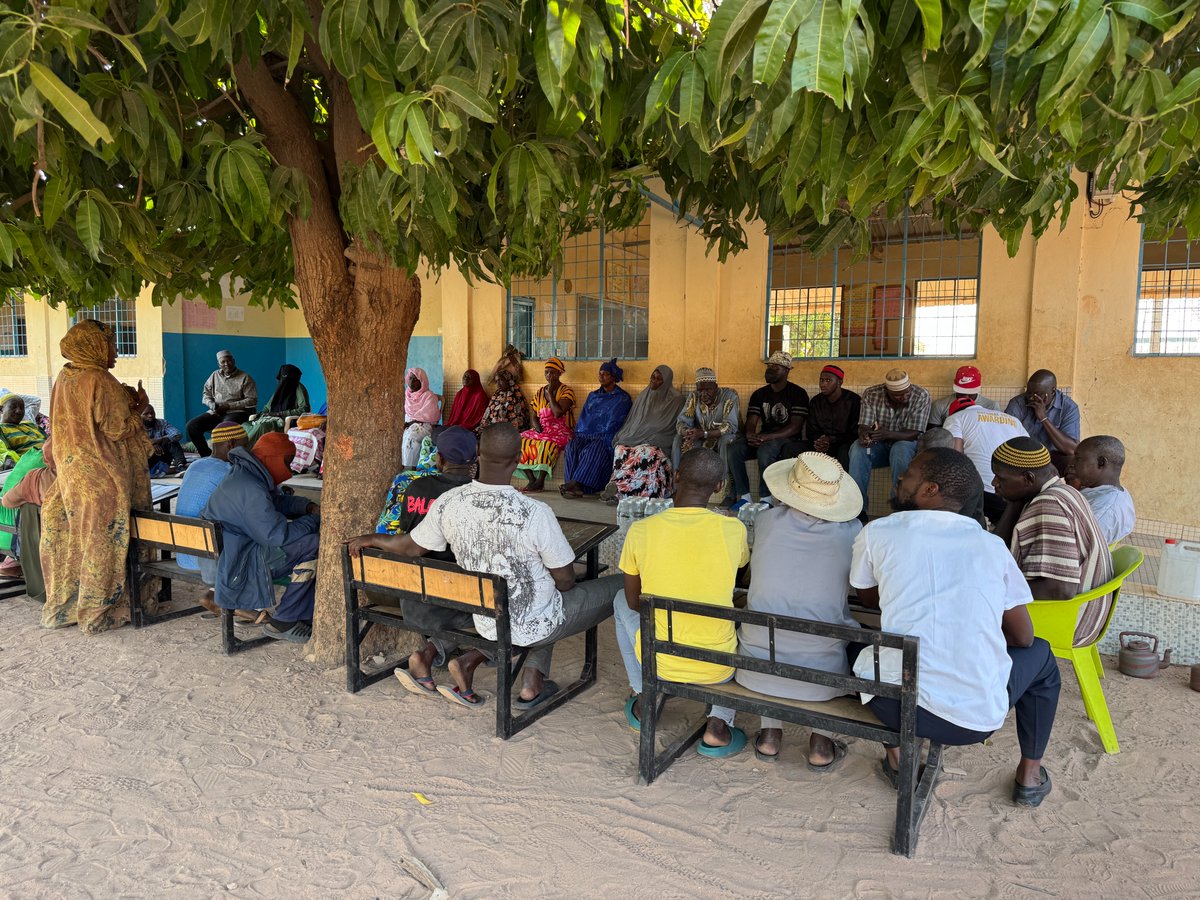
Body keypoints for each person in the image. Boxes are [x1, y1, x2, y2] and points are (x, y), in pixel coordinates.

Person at [349, 423, 622, 709]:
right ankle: (532, 683)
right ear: (519, 460)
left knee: (543, 595)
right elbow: (566, 581)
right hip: (532, 621)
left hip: (487, 621)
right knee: (614, 585)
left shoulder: (449, 502)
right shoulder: (535, 512)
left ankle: (528, 678)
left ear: (478, 454)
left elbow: (411, 547)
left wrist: (373, 538)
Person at [851, 448, 1060, 808]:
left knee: (858, 649)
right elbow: (1023, 638)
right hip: (970, 722)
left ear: (930, 490)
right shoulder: (992, 547)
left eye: (910, 474)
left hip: (890, 703)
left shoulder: (878, 531)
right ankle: (1030, 773)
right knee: (1042, 655)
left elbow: (870, 601)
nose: (901, 477)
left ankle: (898, 756)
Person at [613, 448, 750, 756]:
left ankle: (644, 693)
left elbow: (635, 602)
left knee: (620, 599)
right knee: (738, 620)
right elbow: (741, 575)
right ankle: (718, 722)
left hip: (657, 660)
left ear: (674, 477)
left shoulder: (641, 530)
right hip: (718, 667)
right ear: (719, 487)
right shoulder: (734, 529)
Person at [737, 452, 863, 768]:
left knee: (773, 622)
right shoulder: (852, 531)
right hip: (821, 673)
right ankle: (820, 744)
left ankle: (769, 737)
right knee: (838, 627)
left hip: (755, 666)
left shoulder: (764, 521)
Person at [40, 319, 155, 633]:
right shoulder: (98, 378)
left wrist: (127, 400)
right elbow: (117, 428)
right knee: (102, 548)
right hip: (102, 479)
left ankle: (65, 611)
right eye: (110, 344)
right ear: (94, 345)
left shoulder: (66, 376)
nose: (115, 350)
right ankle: (96, 615)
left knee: (72, 545)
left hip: (70, 477)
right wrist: (139, 412)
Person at [352, 428, 479, 697]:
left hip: (412, 596)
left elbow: (405, 538)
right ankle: (452, 659)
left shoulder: (416, 486)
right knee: (501, 609)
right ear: (474, 460)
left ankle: (426, 655)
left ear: (440, 459)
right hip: (459, 593)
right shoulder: (475, 496)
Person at [991, 437, 1113, 646]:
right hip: (1081, 613)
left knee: (968, 613)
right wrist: (1015, 501)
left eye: (1000, 478)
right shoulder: (1064, 490)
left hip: (1070, 620)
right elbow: (995, 551)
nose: (994, 483)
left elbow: (1059, 589)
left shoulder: (1049, 505)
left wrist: (993, 594)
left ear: (1028, 479)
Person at [203, 431, 321, 643]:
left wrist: (306, 506)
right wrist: (313, 521)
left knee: (308, 538)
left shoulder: (245, 475)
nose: (290, 469)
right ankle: (285, 619)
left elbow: (274, 503)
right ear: (272, 458)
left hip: (236, 554)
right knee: (315, 543)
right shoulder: (251, 487)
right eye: (287, 462)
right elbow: (277, 535)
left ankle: (301, 614)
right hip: (243, 563)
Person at [727, 352, 808, 510]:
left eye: (775, 367)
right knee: (734, 448)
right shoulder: (759, 394)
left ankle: (767, 498)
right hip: (764, 437)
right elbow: (752, 421)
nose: (770, 370)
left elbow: (795, 427)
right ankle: (744, 496)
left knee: (765, 451)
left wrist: (766, 437)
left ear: (786, 371)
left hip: (787, 438)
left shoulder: (798, 394)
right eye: (769, 366)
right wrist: (751, 435)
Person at [848, 368, 930, 511]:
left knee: (900, 449)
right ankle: (857, 510)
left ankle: (900, 510)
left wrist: (887, 434)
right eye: (898, 396)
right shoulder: (872, 394)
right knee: (858, 449)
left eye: (907, 392)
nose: (904, 397)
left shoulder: (920, 395)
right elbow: (864, 426)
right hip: (879, 446)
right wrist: (865, 435)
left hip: (906, 447)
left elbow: (914, 433)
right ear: (887, 392)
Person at [175, 421, 250, 573]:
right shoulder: (229, 472)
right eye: (245, 446)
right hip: (207, 560)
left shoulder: (195, 465)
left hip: (184, 555)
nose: (247, 451)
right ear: (231, 444)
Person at [601, 365, 684, 501]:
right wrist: (634, 435)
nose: (654, 381)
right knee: (621, 449)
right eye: (653, 377)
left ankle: (620, 490)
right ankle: (618, 490)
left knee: (645, 453)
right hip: (637, 438)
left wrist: (648, 435)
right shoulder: (644, 395)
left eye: (659, 379)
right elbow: (633, 422)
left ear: (667, 381)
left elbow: (669, 427)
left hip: (661, 441)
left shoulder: (676, 400)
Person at [944, 396, 1029, 523]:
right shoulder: (1013, 420)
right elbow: (1029, 447)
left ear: (954, 412)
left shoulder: (955, 418)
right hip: (1019, 495)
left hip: (984, 495)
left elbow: (955, 456)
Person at [560, 359, 632, 498]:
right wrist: (580, 434)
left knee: (593, 450)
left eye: (605, 374)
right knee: (572, 446)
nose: (601, 377)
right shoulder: (593, 396)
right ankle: (572, 485)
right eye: (600, 374)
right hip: (585, 434)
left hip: (606, 437)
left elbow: (617, 423)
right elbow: (584, 418)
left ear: (614, 377)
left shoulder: (622, 398)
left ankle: (576, 484)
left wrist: (600, 435)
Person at [0, 443, 52, 602]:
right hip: (31, 541)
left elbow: (7, 502)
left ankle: (12, 563)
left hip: (14, 537)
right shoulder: (77, 474)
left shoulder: (31, 459)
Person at [517, 357, 575, 494]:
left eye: (552, 372)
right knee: (518, 441)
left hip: (561, 431)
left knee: (547, 444)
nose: (549, 376)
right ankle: (531, 480)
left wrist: (550, 395)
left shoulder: (567, 391)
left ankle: (540, 481)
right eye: (546, 372)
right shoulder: (539, 392)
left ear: (560, 373)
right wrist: (537, 427)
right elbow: (534, 414)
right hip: (543, 429)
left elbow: (558, 413)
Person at [1005, 370, 1080, 473]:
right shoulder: (1018, 403)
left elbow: (1071, 449)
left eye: (1037, 394)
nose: (1031, 397)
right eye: (1029, 392)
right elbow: (1005, 436)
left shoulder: (1069, 407)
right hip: (1023, 456)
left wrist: (1043, 418)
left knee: (1071, 461)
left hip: (1052, 458)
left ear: (1052, 391)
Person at [187, 350, 258, 457]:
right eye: (223, 362)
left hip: (237, 412)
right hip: (215, 411)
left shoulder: (245, 377)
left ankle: (224, 458)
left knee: (222, 430)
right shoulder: (214, 375)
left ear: (233, 361)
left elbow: (252, 400)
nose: (226, 364)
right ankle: (206, 455)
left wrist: (228, 406)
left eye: (229, 361)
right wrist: (211, 404)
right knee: (192, 426)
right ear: (218, 364)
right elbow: (206, 394)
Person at [1070, 436, 1136, 544]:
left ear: (1101, 463)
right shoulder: (1104, 491)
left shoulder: (1104, 511)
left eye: (1078, 458)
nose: (1071, 463)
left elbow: (1072, 548)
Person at [673, 368, 739, 471]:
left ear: (716, 387)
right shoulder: (694, 396)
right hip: (701, 437)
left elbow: (730, 426)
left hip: (722, 438)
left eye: (708, 390)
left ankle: (723, 481)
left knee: (726, 440)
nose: (703, 394)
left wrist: (704, 433)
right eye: (700, 390)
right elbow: (682, 422)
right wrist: (687, 432)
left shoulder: (729, 396)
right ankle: (678, 478)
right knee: (678, 438)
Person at [804, 364, 861, 469]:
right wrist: (819, 441)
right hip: (821, 444)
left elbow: (855, 432)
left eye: (828, 380)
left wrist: (831, 439)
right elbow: (810, 431)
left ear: (840, 382)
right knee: (790, 448)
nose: (823, 384)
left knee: (845, 452)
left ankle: (842, 485)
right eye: (821, 380)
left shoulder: (853, 401)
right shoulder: (816, 401)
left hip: (843, 444)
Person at [244, 364, 310, 445]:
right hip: (270, 418)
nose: (283, 380)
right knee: (246, 425)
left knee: (261, 427)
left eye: (287, 378)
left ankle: (244, 448)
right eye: (282, 378)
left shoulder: (298, 388)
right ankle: (240, 447)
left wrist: (279, 413)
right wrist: (262, 415)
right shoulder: (280, 387)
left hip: (284, 421)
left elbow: (304, 409)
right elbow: (268, 407)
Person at [926, 365, 1000, 428]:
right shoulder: (939, 405)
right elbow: (934, 434)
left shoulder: (991, 407)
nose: (966, 396)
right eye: (961, 392)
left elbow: (995, 432)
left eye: (970, 392)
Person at [401, 368, 442, 468]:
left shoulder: (429, 396)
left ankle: (410, 467)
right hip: (408, 424)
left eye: (416, 379)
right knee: (404, 435)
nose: (412, 382)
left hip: (425, 425)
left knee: (411, 437)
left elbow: (429, 415)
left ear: (422, 381)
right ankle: (402, 464)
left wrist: (412, 421)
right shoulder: (407, 395)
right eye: (410, 378)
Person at [477, 368, 529, 433]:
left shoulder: (515, 395)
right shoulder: (497, 394)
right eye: (496, 381)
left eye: (500, 380)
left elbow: (518, 418)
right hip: (494, 426)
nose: (498, 384)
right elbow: (489, 412)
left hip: (509, 429)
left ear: (507, 380)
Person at [141, 405, 186, 475]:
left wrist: (160, 440)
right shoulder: (135, 428)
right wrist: (151, 445)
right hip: (146, 461)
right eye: (146, 414)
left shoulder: (162, 423)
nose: (150, 416)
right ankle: (157, 470)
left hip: (162, 456)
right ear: (139, 415)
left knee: (171, 441)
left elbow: (177, 434)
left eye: (152, 413)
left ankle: (181, 466)